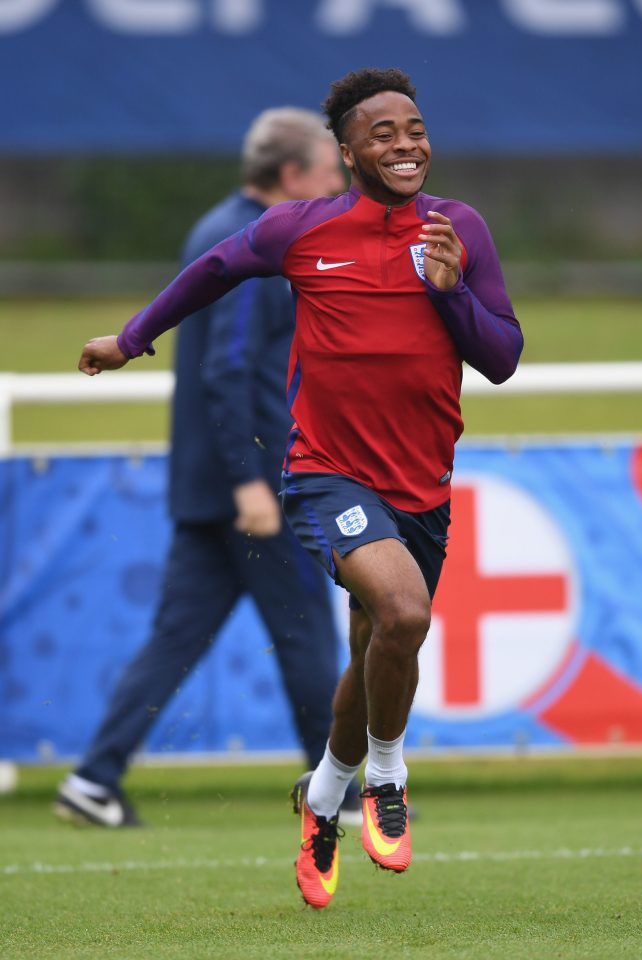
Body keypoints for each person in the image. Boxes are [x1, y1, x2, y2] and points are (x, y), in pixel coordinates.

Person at [76, 68, 523, 908]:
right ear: (347, 151)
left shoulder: (458, 230)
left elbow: (501, 358)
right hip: (326, 472)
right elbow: (209, 271)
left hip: (422, 483)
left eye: (415, 129)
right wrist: (131, 339)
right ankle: (383, 780)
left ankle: (321, 800)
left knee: (371, 650)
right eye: (383, 134)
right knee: (405, 614)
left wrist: (454, 291)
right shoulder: (300, 229)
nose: (405, 145)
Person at [55, 106, 362, 829]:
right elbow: (227, 373)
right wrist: (250, 482)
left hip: (210, 480)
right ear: (290, 175)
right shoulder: (257, 241)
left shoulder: (216, 224)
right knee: (307, 633)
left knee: (176, 637)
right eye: (327, 170)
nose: (337, 183)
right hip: (251, 482)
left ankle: (94, 781)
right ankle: (343, 795)